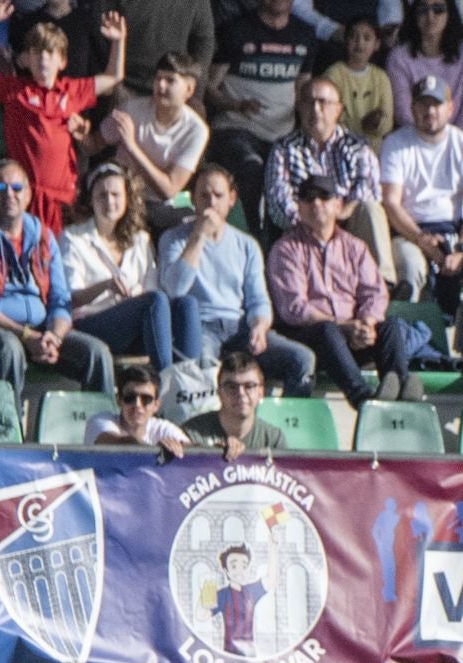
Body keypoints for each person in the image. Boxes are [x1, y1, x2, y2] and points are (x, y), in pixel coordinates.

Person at [268, 173, 422, 402]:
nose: (316, 204)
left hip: (354, 336)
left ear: (338, 205)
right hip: (310, 337)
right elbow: (294, 308)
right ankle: (362, 398)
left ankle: (398, 387)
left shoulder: (355, 247)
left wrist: (366, 324)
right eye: (308, 199)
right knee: (327, 329)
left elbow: (375, 293)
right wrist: (345, 327)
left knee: (390, 326)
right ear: (299, 207)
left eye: (324, 197)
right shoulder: (286, 249)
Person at [0, 160, 121, 395]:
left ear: (29, 193)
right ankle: (7, 429)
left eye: (17, 188)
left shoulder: (43, 235)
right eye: (0, 189)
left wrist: (55, 336)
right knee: (9, 348)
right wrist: (25, 335)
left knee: (96, 353)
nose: (9, 195)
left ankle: (102, 429)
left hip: (43, 331)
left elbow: (60, 299)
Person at [157, 162, 308, 389]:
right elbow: (175, 288)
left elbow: (258, 298)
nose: (211, 202)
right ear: (193, 199)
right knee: (205, 373)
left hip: (240, 327)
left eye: (219, 195)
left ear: (232, 199)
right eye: (204, 195)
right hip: (200, 326)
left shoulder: (246, 245)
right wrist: (198, 236)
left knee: (301, 359)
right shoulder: (174, 239)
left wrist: (259, 326)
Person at [0, 7, 123, 230]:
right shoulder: (15, 91)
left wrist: (119, 42)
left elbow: (113, 76)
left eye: (50, 53)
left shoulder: (72, 91)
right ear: (26, 59)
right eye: (37, 52)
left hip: (62, 200)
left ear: (62, 62)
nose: (43, 58)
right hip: (25, 198)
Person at [378, 72, 463, 307]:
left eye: (436, 104)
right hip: (410, 232)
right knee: (410, 268)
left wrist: (461, 249)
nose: (430, 111)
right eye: (423, 104)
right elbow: (391, 203)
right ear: (412, 108)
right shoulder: (395, 143)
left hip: (457, 232)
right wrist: (423, 241)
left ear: (450, 108)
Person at [64, 158, 172, 367]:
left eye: (115, 195)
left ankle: (190, 386)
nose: (109, 202)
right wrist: (106, 285)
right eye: (102, 195)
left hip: (135, 323)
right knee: (155, 302)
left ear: (127, 198)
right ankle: (167, 382)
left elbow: (151, 287)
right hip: (91, 323)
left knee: (186, 306)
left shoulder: (140, 239)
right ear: (91, 200)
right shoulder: (73, 238)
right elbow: (72, 297)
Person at [204, 0, 315, 192]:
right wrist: (237, 105)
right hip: (237, 129)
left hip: (283, 135)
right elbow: (209, 87)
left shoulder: (304, 34)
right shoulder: (236, 30)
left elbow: (303, 91)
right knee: (251, 167)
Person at [261, 72, 383, 237]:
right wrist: (317, 224)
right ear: (299, 107)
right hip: (303, 233)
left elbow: (369, 193)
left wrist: (337, 219)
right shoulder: (283, 149)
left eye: (323, 102)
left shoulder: (359, 148)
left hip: (350, 231)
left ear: (338, 109)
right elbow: (279, 203)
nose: (315, 109)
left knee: (371, 211)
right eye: (309, 102)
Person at [389, 0, 463, 131]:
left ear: (450, 13)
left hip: (457, 140)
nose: (430, 16)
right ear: (414, 14)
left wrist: (450, 141)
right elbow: (403, 113)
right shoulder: (398, 57)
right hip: (413, 139)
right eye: (422, 10)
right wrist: (427, 141)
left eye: (438, 9)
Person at [195, 345, 287, 459]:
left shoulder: (273, 438)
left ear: (261, 392)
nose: (241, 393)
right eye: (231, 387)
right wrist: (214, 452)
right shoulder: (194, 434)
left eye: (249, 386)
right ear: (219, 393)